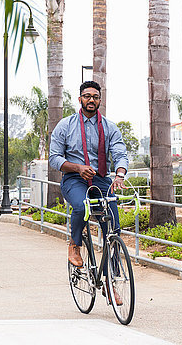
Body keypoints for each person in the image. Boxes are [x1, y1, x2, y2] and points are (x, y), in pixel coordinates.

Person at [49, 81, 129, 303]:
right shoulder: (65, 126)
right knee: (82, 205)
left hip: (101, 179)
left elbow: (120, 152)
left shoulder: (110, 127)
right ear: (80, 99)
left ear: (100, 100)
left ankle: (110, 281)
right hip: (74, 179)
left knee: (114, 228)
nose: (91, 100)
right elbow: (54, 158)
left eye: (95, 96)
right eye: (87, 96)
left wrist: (120, 174)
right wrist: (77, 167)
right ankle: (75, 244)